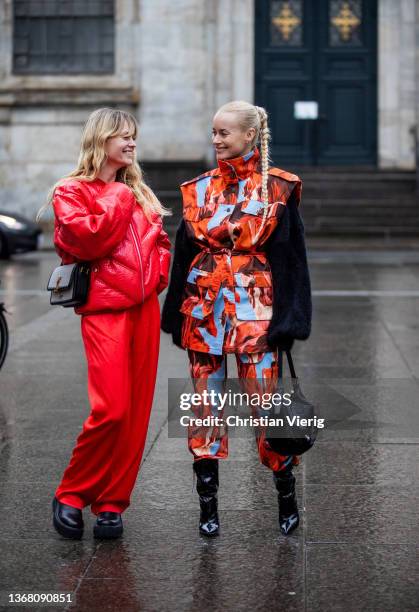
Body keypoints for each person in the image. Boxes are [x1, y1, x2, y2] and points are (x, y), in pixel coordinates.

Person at [161, 100, 311, 537]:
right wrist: (174, 313)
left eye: (224, 133)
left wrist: (292, 320)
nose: (216, 140)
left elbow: (293, 260)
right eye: (213, 132)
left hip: (257, 315)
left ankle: (285, 491)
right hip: (203, 311)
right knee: (205, 409)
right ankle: (207, 506)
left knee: (267, 407)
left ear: (249, 136)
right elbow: (184, 254)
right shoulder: (196, 188)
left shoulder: (280, 188)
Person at [38, 108, 171, 539]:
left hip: (143, 308)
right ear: (101, 141)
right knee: (111, 409)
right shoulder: (72, 191)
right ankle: (73, 493)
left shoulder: (141, 193)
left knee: (135, 414)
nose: (131, 144)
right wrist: (116, 195)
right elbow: (88, 239)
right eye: (122, 137)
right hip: (104, 309)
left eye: (134, 137)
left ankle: (113, 501)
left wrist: (156, 275)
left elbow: (161, 243)